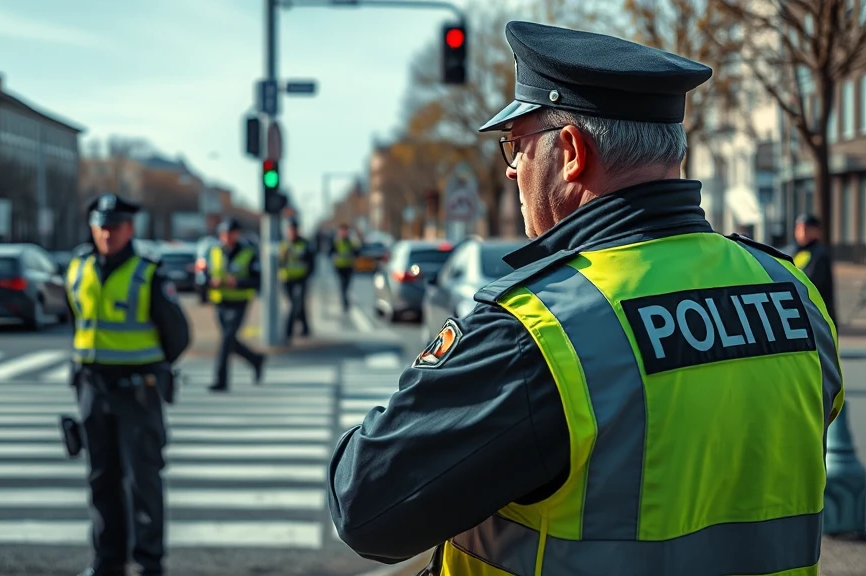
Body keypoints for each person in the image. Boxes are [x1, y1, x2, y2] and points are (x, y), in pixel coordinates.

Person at [327, 21, 844, 576]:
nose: (511, 167)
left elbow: (364, 507)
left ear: (570, 151)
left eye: (516, 145)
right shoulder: (792, 293)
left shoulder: (540, 330)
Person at [65, 193, 191, 576]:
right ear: (92, 227)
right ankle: (107, 560)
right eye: (101, 226)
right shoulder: (78, 268)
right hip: (93, 388)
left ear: (129, 229)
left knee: (143, 481)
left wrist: (151, 367)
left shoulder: (147, 272)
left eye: (115, 227)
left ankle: (149, 563)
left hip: (138, 390)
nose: (107, 234)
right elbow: (78, 322)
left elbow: (178, 336)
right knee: (101, 479)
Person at [207, 218, 265, 392]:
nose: (226, 238)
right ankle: (255, 359)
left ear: (237, 234)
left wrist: (238, 283)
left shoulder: (248, 253)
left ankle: (221, 380)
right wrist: (209, 281)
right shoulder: (214, 251)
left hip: (239, 301)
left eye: (230, 234)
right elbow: (205, 274)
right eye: (223, 234)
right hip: (220, 301)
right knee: (229, 340)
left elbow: (257, 280)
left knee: (226, 340)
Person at [789, 214, 836, 318]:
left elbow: (813, 282)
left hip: (815, 313)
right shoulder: (790, 251)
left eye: (807, 229)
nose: (802, 233)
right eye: (799, 228)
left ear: (817, 231)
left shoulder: (820, 254)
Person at [280, 217, 315, 341]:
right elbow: (278, 263)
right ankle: (305, 327)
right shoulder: (283, 245)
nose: (292, 232)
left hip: (301, 279)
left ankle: (287, 332)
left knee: (295, 304)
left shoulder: (304, 244)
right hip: (287, 279)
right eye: (290, 230)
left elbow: (311, 262)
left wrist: (307, 275)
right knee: (296, 304)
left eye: (294, 229)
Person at [329, 223, 360, 312]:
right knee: (342, 286)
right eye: (342, 231)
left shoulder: (351, 242)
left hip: (349, 267)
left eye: (346, 231)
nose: (344, 233)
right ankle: (345, 303)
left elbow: (357, 252)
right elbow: (330, 252)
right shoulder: (336, 242)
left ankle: (345, 300)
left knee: (347, 286)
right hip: (339, 267)